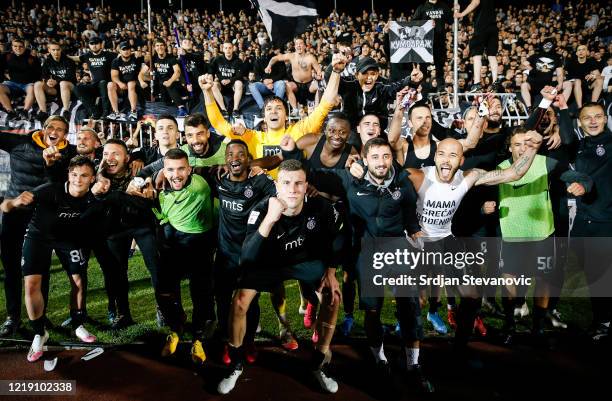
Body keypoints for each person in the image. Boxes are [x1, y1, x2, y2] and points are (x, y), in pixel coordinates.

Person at [218, 160, 343, 395]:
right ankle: (235, 363)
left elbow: (338, 237)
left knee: (333, 296)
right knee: (239, 301)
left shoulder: (321, 207)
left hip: (303, 261)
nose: (293, 189)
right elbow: (247, 256)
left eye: (298, 183)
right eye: (286, 183)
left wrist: (331, 272)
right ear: (277, 186)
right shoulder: (261, 208)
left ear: (306, 186)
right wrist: (270, 219)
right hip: (267, 262)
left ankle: (319, 361)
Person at [495, 126, 589, 345]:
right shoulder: (500, 169)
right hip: (512, 235)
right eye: (517, 144)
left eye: (526, 144)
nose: (521, 149)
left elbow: (576, 175)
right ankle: (510, 326)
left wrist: (583, 184)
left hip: (542, 235)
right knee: (509, 283)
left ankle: (537, 329)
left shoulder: (546, 163)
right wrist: (484, 206)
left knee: (543, 282)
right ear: (509, 147)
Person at [0, 156, 100, 362]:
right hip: (38, 237)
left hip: (70, 239)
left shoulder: (94, 198)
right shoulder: (49, 190)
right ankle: (39, 333)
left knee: (78, 281)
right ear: (68, 175)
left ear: (92, 178)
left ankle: (77, 324)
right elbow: (5, 207)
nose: (77, 180)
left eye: (84, 176)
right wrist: (16, 201)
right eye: (74, 175)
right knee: (31, 284)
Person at [0, 115, 76, 338]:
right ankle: (12, 318)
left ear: (65, 134)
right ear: (43, 129)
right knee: (11, 266)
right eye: (51, 127)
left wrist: (52, 163)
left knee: (40, 267)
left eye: (61, 129)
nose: (55, 131)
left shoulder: (69, 153)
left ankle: (40, 317)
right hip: (15, 211)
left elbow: (60, 181)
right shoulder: (20, 143)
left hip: (45, 216)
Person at [145, 149, 216, 364]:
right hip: (170, 246)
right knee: (165, 292)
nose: (176, 174)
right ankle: (176, 329)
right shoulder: (158, 187)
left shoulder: (201, 184)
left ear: (190, 169)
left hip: (199, 247)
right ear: (164, 171)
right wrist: (149, 180)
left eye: (181, 169)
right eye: (170, 170)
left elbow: (214, 169)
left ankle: (198, 340)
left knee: (201, 295)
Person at [558, 98, 612, 340]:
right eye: (587, 118)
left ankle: (605, 322)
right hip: (582, 222)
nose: (593, 121)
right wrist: (561, 109)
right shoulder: (580, 146)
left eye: (598, 116)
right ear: (580, 122)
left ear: (605, 118)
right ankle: (602, 321)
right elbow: (567, 140)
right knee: (593, 276)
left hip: (606, 221)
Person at [265, 37, 322, 114]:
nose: (299, 46)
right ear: (295, 46)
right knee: (287, 85)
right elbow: (276, 58)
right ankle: (295, 109)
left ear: (305, 46)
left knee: (318, 85)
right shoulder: (291, 56)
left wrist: (318, 75)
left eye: (301, 44)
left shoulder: (310, 58)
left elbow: (318, 70)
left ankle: (317, 109)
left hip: (309, 84)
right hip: (297, 84)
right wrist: (269, 66)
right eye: (297, 44)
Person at [454, 0, 501, 92]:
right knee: (492, 55)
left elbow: (475, 2)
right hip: (493, 27)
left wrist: (461, 14)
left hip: (482, 26)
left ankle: (476, 83)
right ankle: (495, 82)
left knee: (477, 55)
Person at [139, 39, 188, 117]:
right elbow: (141, 73)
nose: (160, 47)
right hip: (160, 86)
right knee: (142, 84)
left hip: (173, 84)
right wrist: (141, 81)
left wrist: (170, 81)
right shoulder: (153, 59)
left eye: (161, 45)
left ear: (165, 46)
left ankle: (181, 108)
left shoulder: (171, 58)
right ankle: (141, 109)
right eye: (157, 46)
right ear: (154, 48)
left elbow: (177, 72)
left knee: (168, 83)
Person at [71, 37, 115, 119]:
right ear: (89, 45)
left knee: (103, 82)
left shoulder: (109, 55)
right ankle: (94, 112)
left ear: (101, 44)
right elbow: (75, 58)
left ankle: (106, 112)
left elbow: (121, 55)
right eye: (92, 44)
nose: (94, 46)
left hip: (107, 86)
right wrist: (62, 55)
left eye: (96, 43)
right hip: (94, 86)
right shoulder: (87, 56)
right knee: (77, 88)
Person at [412, 0, 453, 85]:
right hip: (425, 42)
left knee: (440, 66)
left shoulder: (443, 6)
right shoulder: (422, 7)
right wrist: (426, 24)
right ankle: (423, 88)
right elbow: (414, 23)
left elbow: (451, 20)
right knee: (423, 67)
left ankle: (441, 88)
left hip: (440, 41)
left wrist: (455, 10)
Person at [34, 41, 77, 122]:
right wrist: (47, 81)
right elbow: (44, 75)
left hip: (69, 87)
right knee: (37, 84)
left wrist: (56, 81)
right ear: (49, 50)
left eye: (58, 50)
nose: (56, 52)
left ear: (61, 50)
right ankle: (43, 112)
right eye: (53, 50)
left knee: (63, 83)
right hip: (55, 89)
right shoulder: (47, 62)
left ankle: (66, 111)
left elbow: (71, 77)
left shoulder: (69, 61)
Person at [0, 38, 40, 121]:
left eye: (20, 46)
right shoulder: (7, 56)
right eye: (15, 46)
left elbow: (38, 74)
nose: (18, 48)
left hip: (28, 84)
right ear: (12, 46)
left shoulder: (31, 58)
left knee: (32, 88)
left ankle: (25, 111)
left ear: (24, 47)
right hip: (12, 83)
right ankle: (11, 112)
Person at [520, 38, 565, 110]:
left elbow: (560, 73)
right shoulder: (536, 55)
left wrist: (560, 83)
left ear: (553, 46)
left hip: (546, 86)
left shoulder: (556, 58)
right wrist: (530, 68)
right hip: (532, 83)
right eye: (546, 45)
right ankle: (529, 108)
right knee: (524, 85)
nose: (547, 47)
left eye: (549, 45)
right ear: (543, 45)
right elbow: (523, 65)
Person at [208, 41, 246, 118]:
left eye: (230, 48)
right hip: (221, 84)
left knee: (239, 83)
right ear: (223, 49)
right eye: (226, 48)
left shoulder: (238, 61)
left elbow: (240, 75)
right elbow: (211, 71)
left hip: (233, 85)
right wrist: (215, 79)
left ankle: (235, 109)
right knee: (214, 85)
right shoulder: (217, 59)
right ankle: (223, 110)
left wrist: (230, 80)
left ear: (233, 49)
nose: (228, 50)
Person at [108, 42, 144, 121]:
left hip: (135, 85)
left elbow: (149, 58)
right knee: (110, 85)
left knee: (131, 83)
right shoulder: (116, 61)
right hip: (122, 86)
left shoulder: (136, 57)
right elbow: (114, 76)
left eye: (127, 49)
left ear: (130, 50)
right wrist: (119, 83)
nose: (126, 51)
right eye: (123, 49)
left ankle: (133, 111)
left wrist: (140, 53)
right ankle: (116, 112)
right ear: (120, 51)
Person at [249, 46, 287, 110]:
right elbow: (257, 75)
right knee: (252, 86)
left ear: (272, 50)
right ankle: (263, 108)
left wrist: (272, 80)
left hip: (275, 84)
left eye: (268, 50)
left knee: (281, 83)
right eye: (264, 50)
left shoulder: (277, 59)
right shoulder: (258, 60)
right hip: (264, 85)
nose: (266, 52)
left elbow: (282, 73)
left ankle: (276, 107)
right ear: (261, 51)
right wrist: (265, 81)